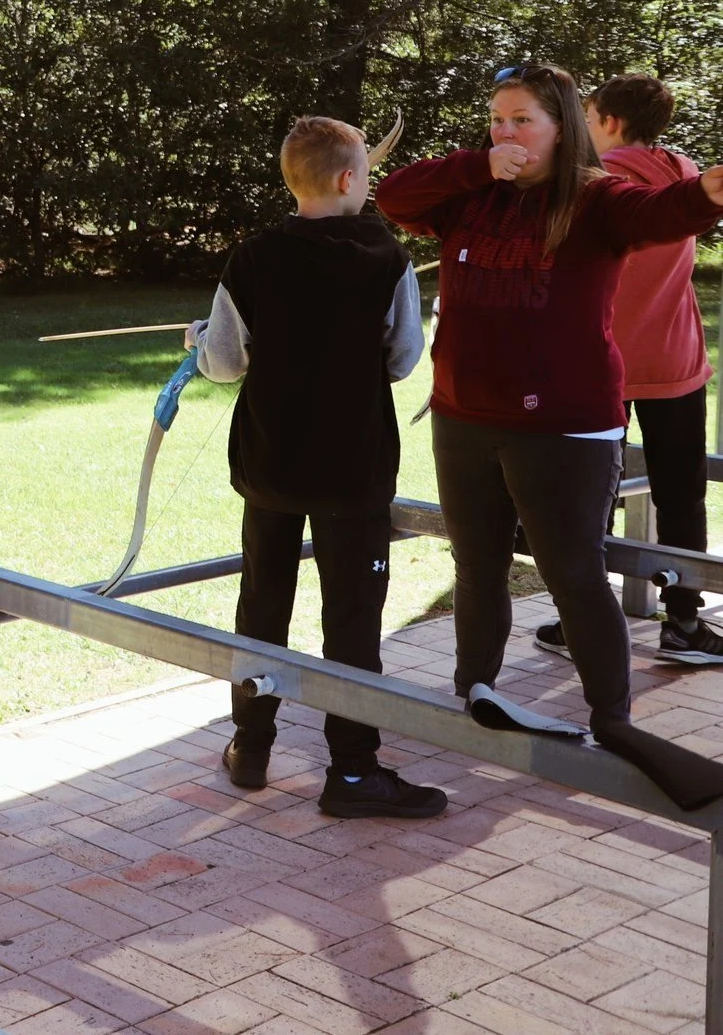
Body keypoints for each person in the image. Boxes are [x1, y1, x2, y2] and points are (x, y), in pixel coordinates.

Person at [376, 63, 723, 808]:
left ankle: (614, 719)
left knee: (573, 574)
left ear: (562, 126)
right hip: (466, 417)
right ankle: (477, 689)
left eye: (521, 120)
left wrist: (707, 194)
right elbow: (393, 195)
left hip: (565, 426)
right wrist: (477, 164)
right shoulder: (471, 195)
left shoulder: (597, 200)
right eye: (496, 120)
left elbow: (661, 215)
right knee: (476, 566)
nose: (505, 134)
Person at [189, 115, 445, 817]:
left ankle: (251, 747)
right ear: (346, 179)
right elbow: (401, 359)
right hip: (353, 471)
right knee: (353, 619)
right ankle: (354, 771)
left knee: (262, 606)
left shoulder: (252, 256)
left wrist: (197, 338)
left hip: (271, 465)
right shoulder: (385, 257)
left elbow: (223, 362)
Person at [536, 74, 723, 667]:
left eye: (589, 120)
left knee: (591, 498)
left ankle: (583, 624)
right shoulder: (687, 174)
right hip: (676, 362)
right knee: (682, 494)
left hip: (602, 364)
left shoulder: (595, 185)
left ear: (610, 122)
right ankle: (685, 622)